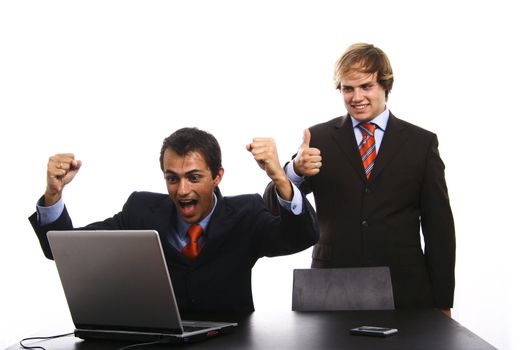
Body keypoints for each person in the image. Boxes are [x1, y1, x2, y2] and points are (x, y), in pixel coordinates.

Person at [29, 127, 319, 313]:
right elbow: (66, 250)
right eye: (172, 178)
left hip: (231, 343)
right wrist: (54, 194)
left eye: (194, 178)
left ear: (217, 176)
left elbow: (302, 236)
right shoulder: (141, 210)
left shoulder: (246, 213)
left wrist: (280, 177)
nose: (182, 191)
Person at [266, 43, 455, 316]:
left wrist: (442, 299)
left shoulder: (421, 143)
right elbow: (272, 205)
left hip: (405, 288)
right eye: (347, 89)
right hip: (332, 286)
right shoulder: (318, 139)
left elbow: (439, 228)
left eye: (366, 86)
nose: (356, 97)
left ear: (384, 86)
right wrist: (294, 169)